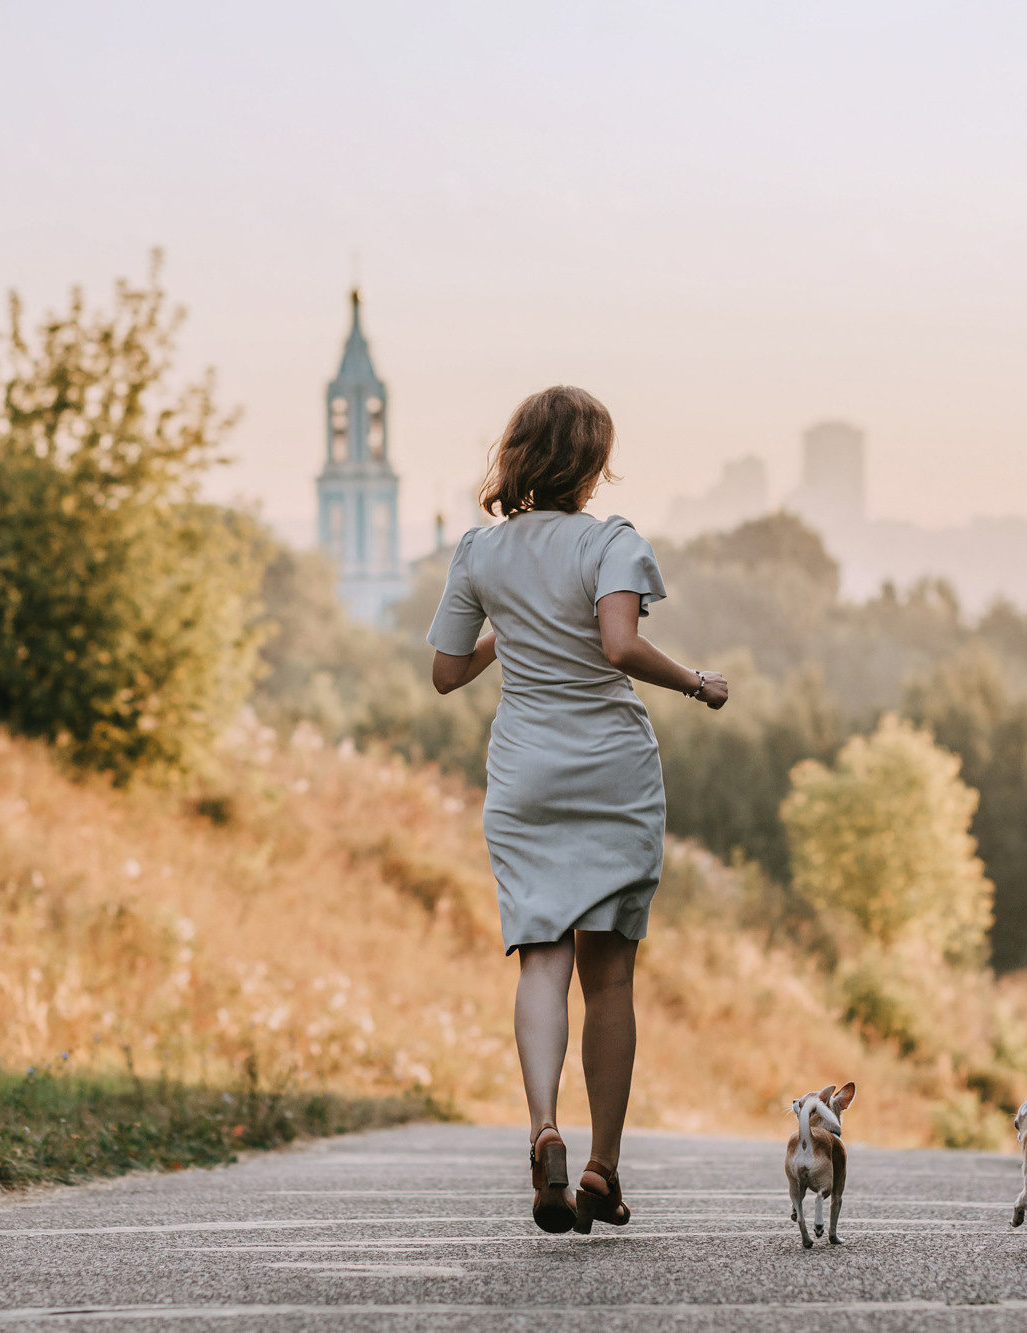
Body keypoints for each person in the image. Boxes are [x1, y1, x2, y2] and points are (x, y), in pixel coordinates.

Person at [427, 385, 729, 1234]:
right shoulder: (612, 543)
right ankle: (601, 1166)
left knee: (541, 958)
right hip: (610, 771)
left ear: (517, 456)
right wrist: (698, 683)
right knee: (611, 972)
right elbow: (620, 645)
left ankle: (542, 1129)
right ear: (593, 464)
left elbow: (448, 672)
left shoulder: (480, 553)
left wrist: (513, 628)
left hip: (528, 774)